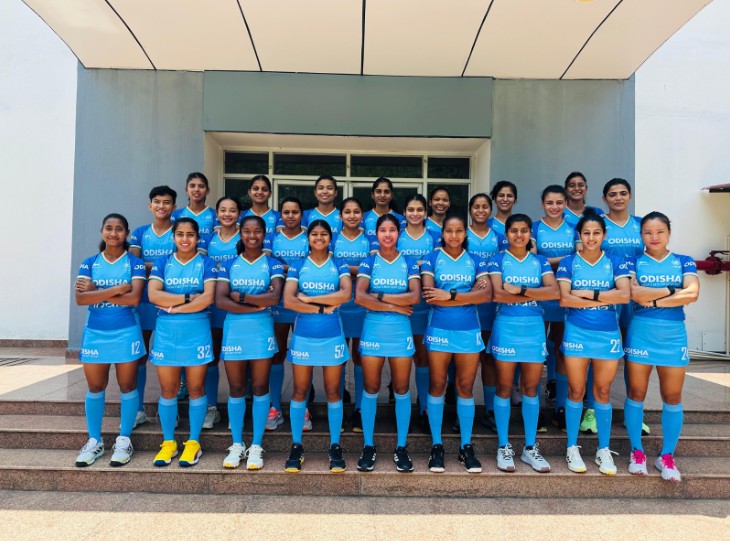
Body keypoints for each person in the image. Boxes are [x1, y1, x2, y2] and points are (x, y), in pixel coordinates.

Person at [624, 212, 699, 481]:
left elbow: (693, 293)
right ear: (640, 235)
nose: (654, 237)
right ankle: (637, 451)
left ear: (669, 233)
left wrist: (654, 299)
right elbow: (634, 293)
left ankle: (667, 455)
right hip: (641, 332)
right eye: (648, 232)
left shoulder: (684, 260)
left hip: (673, 335)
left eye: (660, 232)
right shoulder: (633, 260)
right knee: (636, 392)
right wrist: (674, 291)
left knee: (673, 396)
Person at [556, 212, 630, 475]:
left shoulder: (616, 262)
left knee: (603, 392)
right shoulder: (568, 262)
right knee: (576, 391)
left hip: (607, 334)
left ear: (604, 235)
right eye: (586, 233)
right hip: (577, 333)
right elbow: (565, 299)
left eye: (596, 233)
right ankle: (572, 447)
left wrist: (588, 293)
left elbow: (624, 295)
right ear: (579, 235)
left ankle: (603, 449)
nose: (591, 238)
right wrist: (606, 296)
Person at [488, 214, 559, 473]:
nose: (519, 235)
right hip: (506, 327)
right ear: (506, 234)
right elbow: (498, 295)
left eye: (524, 230)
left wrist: (520, 290)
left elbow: (554, 292)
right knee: (504, 388)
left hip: (533, 329)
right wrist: (534, 293)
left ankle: (530, 448)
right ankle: (503, 446)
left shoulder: (540, 261)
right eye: (514, 230)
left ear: (531, 234)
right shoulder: (498, 260)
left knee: (531, 389)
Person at [74, 213, 146, 467]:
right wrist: (116, 290)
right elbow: (81, 299)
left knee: (127, 386)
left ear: (126, 233)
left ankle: (124, 440)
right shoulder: (89, 263)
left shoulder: (135, 263)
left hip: (126, 331)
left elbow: (134, 299)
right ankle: (94, 440)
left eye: (119, 229)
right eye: (109, 228)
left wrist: (96, 292)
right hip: (95, 332)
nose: (113, 233)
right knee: (95, 387)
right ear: (101, 231)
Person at [421, 214, 491, 473]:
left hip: (468, 330)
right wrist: (468, 294)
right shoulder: (431, 258)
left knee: (465, 387)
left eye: (459, 230)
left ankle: (465, 447)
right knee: (438, 385)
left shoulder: (475, 259)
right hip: (439, 328)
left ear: (465, 234)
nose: (454, 235)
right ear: (442, 233)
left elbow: (486, 295)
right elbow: (430, 296)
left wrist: (449, 294)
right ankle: (437, 445)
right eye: (449, 231)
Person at [215, 215, 285, 470]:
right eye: (247, 231)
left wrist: (242, 298)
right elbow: (221, 300)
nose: (252, 236)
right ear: (240, 234)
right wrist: (256, 303)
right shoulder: (229, 264)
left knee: (259, 386)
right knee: (236, 388)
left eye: (257, 231)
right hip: (234, 331)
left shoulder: (273, 264)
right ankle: (236, 444)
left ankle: (256, 445)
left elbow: (274, 298)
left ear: (264, 234)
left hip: (261, 330)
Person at [282, 220, 352, 473]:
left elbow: (345, 294)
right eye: (314, 234)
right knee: (300, 391)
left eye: (323, 234)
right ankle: (296, 446)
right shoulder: (299, 265)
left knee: (333, 392)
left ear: (330, 238)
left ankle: (335, 446)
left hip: (332, 335)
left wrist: (310, 299)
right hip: (303, 336)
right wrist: (324, 307)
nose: (319, 238)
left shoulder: (339, 264)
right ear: (308, 238)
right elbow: (289, 300)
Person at [147, 217, 217, 467]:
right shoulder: (163, 262)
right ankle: (169, 443)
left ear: (197, 238)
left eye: (190, 234)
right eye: (180, 234)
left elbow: (208, 298)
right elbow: (153, 295)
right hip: (167, 334)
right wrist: (188, 298)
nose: (185, 239)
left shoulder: (206, 262)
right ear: (173, 237)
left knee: (196, 389)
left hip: (196, 332)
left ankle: (193, 443)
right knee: (169, 390)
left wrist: (173, 306)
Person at [577, 178, 645, 435]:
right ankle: (592, 410)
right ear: (604, 198)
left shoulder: (641, 225)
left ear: (630, 196)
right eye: (613, 194)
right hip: (605, 296)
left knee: (632, 353)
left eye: (623, 193)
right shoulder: (598, 225)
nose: (618, 198)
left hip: (635, 295)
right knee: (598, 352)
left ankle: (632, 412)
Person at [355, 214, 421, 472]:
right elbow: (360, 297)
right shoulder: (369, 261)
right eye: (382, 230)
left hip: (400, 331)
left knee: (401, 388)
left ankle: (401, 447)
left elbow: (414, 296)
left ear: (398, 233)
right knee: (371, 387)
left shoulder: (409, 262)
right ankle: (368, 446)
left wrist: (379, 297)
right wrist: (395, 305)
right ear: (376, 233)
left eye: (392, 230)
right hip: (373, 330)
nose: (387, 234)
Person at [129, 185, 177, 428]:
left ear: (174, 207)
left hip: (172, 300)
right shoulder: (140, 232)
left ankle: (171, 408)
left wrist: (152, 266)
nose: (161, 206)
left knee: (173, 356)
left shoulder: (179, 231)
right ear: (150, 205)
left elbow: (182, 261)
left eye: (166, 202)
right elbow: (135, 263)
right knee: (141, 355)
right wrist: (164, 265)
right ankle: (138, 409)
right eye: (157, 201)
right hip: (145, 300)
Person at [531, 185, 575, 430]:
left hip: (564, 294)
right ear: (542, 204)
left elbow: (579, 257)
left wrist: (547, 261)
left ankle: (560, 407)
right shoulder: (535, 228)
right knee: (537, 351)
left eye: (559, 202)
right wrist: (565, 260)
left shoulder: (573, 228)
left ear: (566, 204)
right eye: (550, 202)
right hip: (540, 293)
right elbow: (533, 258)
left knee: (561, 349)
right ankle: (535, 407)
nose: (554, 207)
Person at [397, 194, 440, 431]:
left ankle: (424, 406)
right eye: (411, 209)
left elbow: (435, 265)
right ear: (404, 212)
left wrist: (413, 265)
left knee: (423, 358)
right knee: (400, 358)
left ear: (426, 212)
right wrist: (420, 265)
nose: (415, 213)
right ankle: (399, 402)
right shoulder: (397, 234)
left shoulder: (434, 236)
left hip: (425, 304)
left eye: (419, 209)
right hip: (399, 304)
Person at [199, 196, 242, 430]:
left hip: (238, 302)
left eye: (232, 210)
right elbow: (202, 267)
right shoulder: (208, 239)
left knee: (242, 355)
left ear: (239, 214)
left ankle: (240, 405)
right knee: (213, 355)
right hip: (214, 302)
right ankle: (212, 407)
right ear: (216, 214)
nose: (227, 214)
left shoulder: (244, 236)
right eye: (223, 210)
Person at [466, 193, 508, 432]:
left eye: (484, 207)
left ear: (490, 210)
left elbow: (503, 265)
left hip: (492, 303)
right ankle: (463, 406)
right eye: (476, 206)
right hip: (468, 302)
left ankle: (490, 409)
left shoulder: (499, 237)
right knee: (467, 357)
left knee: (489, 357)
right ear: (470, 210)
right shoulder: (461, 234)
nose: (480, 210)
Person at [269, 197, 310, 431]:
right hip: (279, 301)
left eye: (295, 212)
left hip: (302, 300)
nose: (291, 216)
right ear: (281, 215)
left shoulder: (309, 237)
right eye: (286, 212)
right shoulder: (272, 238)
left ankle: (303, 407)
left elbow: (312, 265)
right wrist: (296, 268)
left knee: (303, 354)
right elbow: (269, 264)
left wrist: (285, 269)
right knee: (278, 353)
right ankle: (275, 407)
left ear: (301, 215)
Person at [332, 197, 370, 431]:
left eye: (357, 211)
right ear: (341, 216)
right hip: (338, 303)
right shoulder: (332, 238)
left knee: (359, 355)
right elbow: (329, 267)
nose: (352, 216)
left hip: (362, 302)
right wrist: (358, 270)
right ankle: (336, 405)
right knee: (338, 354)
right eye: (348, 212)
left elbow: (372, 268)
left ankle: (359, 409)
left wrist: (343, 269)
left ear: (362, 215)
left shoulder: (369, 239)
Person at [171, 172, 217, 238]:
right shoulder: (176, 214)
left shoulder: (215, 214)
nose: (196, 189)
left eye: (201, 186)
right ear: (186, 190)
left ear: (207, 191)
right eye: (192, 186)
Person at [362, 177, 406, 245]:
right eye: (378, 191)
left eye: (386, 192)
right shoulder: (363, 217)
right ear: (372, 195)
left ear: (391, 195)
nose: (382, 195)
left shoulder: (401, 219)